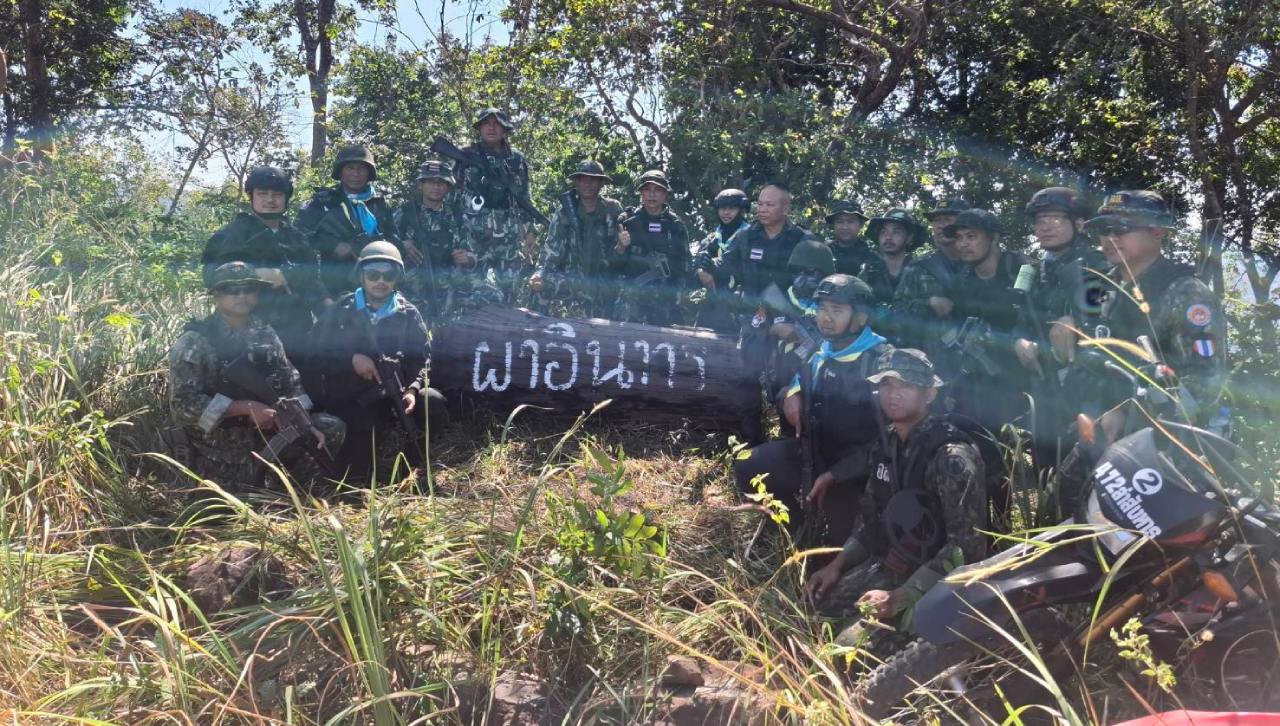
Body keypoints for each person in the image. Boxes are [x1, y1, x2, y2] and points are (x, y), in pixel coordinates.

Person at [803, 349, 986, 639]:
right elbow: (870, 519)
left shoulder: (951, 457)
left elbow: (967, 548)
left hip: (940, 582)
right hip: (891, 564)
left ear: (929, 394)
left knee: (848, 646)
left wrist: (900, 597)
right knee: (813, 609)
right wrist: (836, 566)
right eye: (886, 384)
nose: (893, 394)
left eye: (906, 385)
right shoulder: (888, 444)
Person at [733, 274, 892, 546]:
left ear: (860, 318)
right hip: (814, 454)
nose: (826, 318)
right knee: (748, 466)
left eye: (837, 310)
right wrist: (790, 395)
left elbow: (892, 441)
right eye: (822, 309)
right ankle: (794, 530)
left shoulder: (881, 361)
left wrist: (837, 474)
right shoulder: (820, 352)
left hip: (858, 473)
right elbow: (791, 385)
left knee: (839, 548)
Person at [168, 262, 345, 487]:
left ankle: (294, 492)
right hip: (220, 438)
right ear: (216, 295)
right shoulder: (194, 341)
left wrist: (303, 422)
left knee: (329, 427)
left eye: (249, 289)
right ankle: (264, 488)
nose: (241, 295)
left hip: (269, 429)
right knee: (243, 494)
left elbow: (291, 381)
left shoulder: (265, 333)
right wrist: (244, 408)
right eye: (232, 290)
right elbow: (182, 405)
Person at [1077, 190, 1226, 423]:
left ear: (1157, 231)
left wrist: (1131, 413)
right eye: (1104, 229)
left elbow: (1205, 380)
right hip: (1096, 419)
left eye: (1122, 228)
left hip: (1168, 432)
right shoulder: (1102, 287)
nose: (1110, 238)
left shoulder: (1186, 292)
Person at [310, 242, 448, 482]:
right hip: (352, 397)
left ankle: (410, 471)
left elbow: (422, 358)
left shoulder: (408, 313)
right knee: (357, 472)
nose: (380, 281)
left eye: (389, 275)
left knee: (433, 402)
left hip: (394, 394)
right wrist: (350, 359)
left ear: (397, 278)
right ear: (362, 276)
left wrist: (412, 390)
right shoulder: (341, 310)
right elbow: (314, 352)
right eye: (373, 274)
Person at [698, 183, 818, 445]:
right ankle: (751, 441)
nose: (762, 209)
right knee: (747, 378)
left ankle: (790, 440)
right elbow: (726, 267)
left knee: (787, 380)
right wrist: (711, 266)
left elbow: (814, 286)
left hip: (790, 323)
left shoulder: (802, 239)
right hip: (755, 319)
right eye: (760, 204)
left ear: (785, 207)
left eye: (769, 204)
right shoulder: (746, 236)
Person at [1012, 187, 1109, 462]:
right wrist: (1019, 340)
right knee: (1046, 464)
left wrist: (1076, 323)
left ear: (1079, 223)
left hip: (1091, 386)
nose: (1045, 227)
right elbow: (1020, 319)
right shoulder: (1034, 270)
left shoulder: (1098, 265)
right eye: (1039, 220)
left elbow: (1106, 316)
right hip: (1045, 385)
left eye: (1055, 218)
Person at [201, 165, 326, 360]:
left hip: (298, 335)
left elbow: (312, 280)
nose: (270, 200)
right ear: (251, 196)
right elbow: (210, 275)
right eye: (262, 193)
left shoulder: (297, 237)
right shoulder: (232, 235)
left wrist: (329, 309)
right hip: (247, 336)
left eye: (277, 194)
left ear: (286, 198)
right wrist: (254, 273)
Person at [946, 208, 1035, 434]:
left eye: (971, 236)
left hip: (1025, 377)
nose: (963, 244)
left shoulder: (1023, 269)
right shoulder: (961, 281)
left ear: (994, 238)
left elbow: (1043, 319)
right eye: (959, 238)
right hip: (980, 377)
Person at [393, 159, 495, 322]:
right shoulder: (404, 213)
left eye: (441, 183)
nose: (436, 187)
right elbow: (383, 245)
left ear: (448, 186)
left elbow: (475, 252)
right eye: (431, 182)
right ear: (421, 185)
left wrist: (468, 258)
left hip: (449, 281)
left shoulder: (458, 216)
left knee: (493, 294)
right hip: (413, 282)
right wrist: (400, 245)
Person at [455, 107, 537, 304]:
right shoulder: (466, 155)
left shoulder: (516, 159)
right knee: (468, 292)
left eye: (496, 124)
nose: (491, 128)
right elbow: (452, 194)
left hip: (508, 236)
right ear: (479, 128)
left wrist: (530, 230)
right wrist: (455, 234)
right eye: (486, 123)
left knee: (509, 293)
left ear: (505, 129)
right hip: (473, 234)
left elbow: (524, 196)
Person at [530, 160, 626, 318]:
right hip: (573, 280)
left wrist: (621, 246)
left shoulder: (613, 209)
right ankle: (534, 328)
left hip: (603, 281)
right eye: (582, 179)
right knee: (540, 284)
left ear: (601, 183)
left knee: (628, 296)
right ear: (576, 182)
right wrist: (540, 274)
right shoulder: (564, 213)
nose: (587, 184)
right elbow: (551, 252)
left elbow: (621, 253)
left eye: (593, 180)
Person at [298, 144, 398, 295]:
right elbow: (300, 236)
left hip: (378, 282)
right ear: (340, 172)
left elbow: (393, 237)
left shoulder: (380, 204)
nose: (355, 174)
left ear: (369, 172)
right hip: (335, 284)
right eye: (350, 168)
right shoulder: (324, 202)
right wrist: (333, 245)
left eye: (361, 169)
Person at [891, 197, 969, 356]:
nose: (940, 225)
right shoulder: (919, 266)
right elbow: (897, 312)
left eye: (947, 219)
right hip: (930, 357)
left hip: (976, 356)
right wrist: (928, 304)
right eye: (937, 220)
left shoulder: (978, 264)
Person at [613, 169, 692, 325]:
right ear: (641, 193)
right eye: (647, 189)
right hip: (631, 300)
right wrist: (621, 246)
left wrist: (680, 293)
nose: (652, 194)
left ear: (665, 193)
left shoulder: (675, 225)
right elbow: (612, 264)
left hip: (665, 302)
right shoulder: (627, 221)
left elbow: (685, 264)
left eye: (657, 190)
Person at [690, 188, 751, 331]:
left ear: (742, 210)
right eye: (723, 208)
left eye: (732, 208)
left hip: (741, 309)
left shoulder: (752, 237)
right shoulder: (711, 239)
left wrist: (716, 269)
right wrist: (700, 272)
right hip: (712, 307)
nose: (726, 212)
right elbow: (692, 279)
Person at [860, 208, 926, 339]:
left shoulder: (923, 272)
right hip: (876, 344)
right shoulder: (868, 272)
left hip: (915, 343)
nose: (888, 237)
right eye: (883, 232)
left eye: (896, 232)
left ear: (909, 238)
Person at [823, 200, 873, 276]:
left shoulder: (870, 257)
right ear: (833, 225)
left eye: (850, 221)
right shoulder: (824, 251)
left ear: (861, 224)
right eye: (840, 222)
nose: (845, 227)